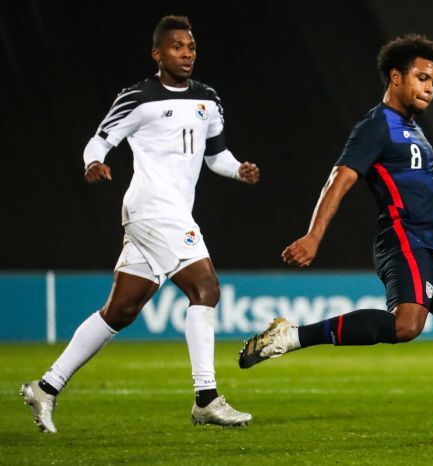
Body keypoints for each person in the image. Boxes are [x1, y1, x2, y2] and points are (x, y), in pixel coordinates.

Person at [238, 34, 433, 442]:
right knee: (407, 326)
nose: (430, 87)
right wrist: (313, 236)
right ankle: (292, 336)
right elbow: (339, 179)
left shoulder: (412, 130)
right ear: (396, 78)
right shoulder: (376, 126)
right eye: (421, 78)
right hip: (404, 240)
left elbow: (424, 169)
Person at [20, 15, 259, 433]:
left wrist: (239, 170)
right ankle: (206, 398)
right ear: (157, 54)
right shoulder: (138, 97)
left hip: (170, 213)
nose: (186, 54)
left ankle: (45, 387)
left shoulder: (208, 99)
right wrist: (93, 162)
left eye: (191, 47)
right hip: (152, 207)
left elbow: (216, 156)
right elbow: (100, 140)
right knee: (205, 287)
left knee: (121, 311)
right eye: (177, 47)